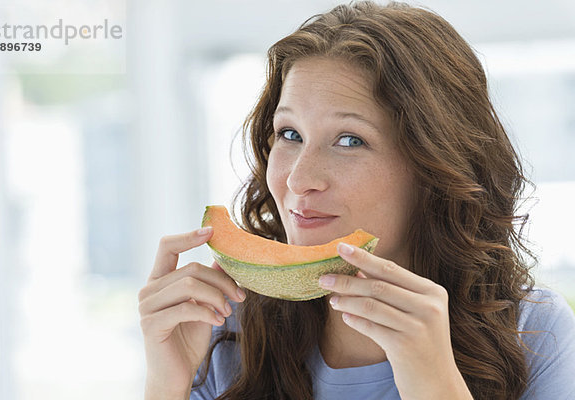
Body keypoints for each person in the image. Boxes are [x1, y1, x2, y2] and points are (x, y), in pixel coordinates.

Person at [137, 1, 575, 399]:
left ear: (435, 166)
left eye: (349, 141)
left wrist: (434, 381)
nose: (299, 178)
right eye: (290, 134)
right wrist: (166, 384)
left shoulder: (536, 333)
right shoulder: (223, 331)